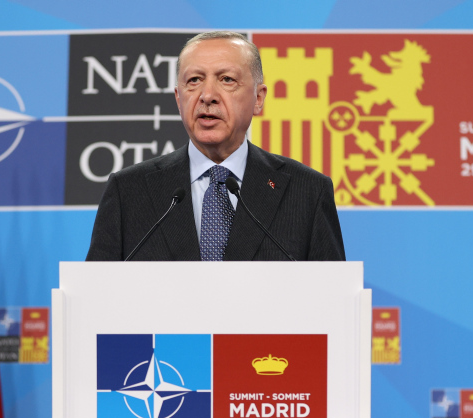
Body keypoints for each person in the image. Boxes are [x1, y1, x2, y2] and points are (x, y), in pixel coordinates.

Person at [86, 31, 345, 261]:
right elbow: (95, 292)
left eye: (227, 79)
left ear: (258, 98)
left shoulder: (308, 192)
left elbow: (332, 295)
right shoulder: (128, 192)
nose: (207, 95)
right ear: (178, 99)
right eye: (194, 80)